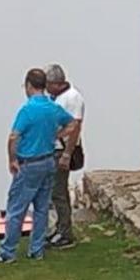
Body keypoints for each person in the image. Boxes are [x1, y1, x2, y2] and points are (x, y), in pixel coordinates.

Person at [0, 68, 76, 263]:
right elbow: (72, 124)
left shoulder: (28, 110)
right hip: (48, 161)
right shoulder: (52, 107)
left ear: (29, 85)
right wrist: (57, 135)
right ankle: (36, 249)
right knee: (41, 208)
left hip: (29, 163)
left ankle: (8, 252)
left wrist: (12, 159)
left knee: (16, 209)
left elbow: (14, 136)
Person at [45, 63, 85, 249]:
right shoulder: (55, 98)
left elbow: (75, 128)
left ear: (57, 83)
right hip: (54, 149)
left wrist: (67, 153)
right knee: (55, 192)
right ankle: (60, 227)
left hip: (62, 150)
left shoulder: (73, 98)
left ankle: (65, 232)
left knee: (59, 192)